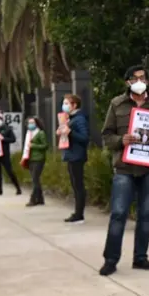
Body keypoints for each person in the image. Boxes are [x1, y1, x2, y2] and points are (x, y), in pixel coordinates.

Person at [99, 65, 149, 276]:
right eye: (134, 78)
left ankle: (141, 257)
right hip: (124, 168)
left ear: (147, 81)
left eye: (142, 77)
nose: (139, 81)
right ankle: (110, 260)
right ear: (127, 82)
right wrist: (122, 140)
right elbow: (106, 135)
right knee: (118, 213)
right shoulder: (117, 104)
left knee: (145, 214)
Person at [57, 94, 90, 224]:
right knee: (75, 185)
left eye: (66, 103)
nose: (64, 105)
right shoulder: (71, 119)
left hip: (77, 156)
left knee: (78, 185)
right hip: (71, 155)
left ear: (74, 105)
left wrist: (70, 132)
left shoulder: (79, 119)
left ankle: (79, 214)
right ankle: (77, 212)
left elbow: (84, 138)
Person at [0, 111, 22, 196]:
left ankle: (18, 188)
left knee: (9, 171)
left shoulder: (7, 129)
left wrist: (3, 139)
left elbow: (13, 139)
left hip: (5, 154)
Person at [26, 116, 48, 207]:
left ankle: (33, 199)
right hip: (31, 158)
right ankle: (40, 198)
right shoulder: (29, 133)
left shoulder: (40, 133)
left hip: (39, 158)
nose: (30, 124)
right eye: (29, 123)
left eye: (32, 122)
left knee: (35, 179)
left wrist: (33, 146)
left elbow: (45, 146)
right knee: (35, 179)